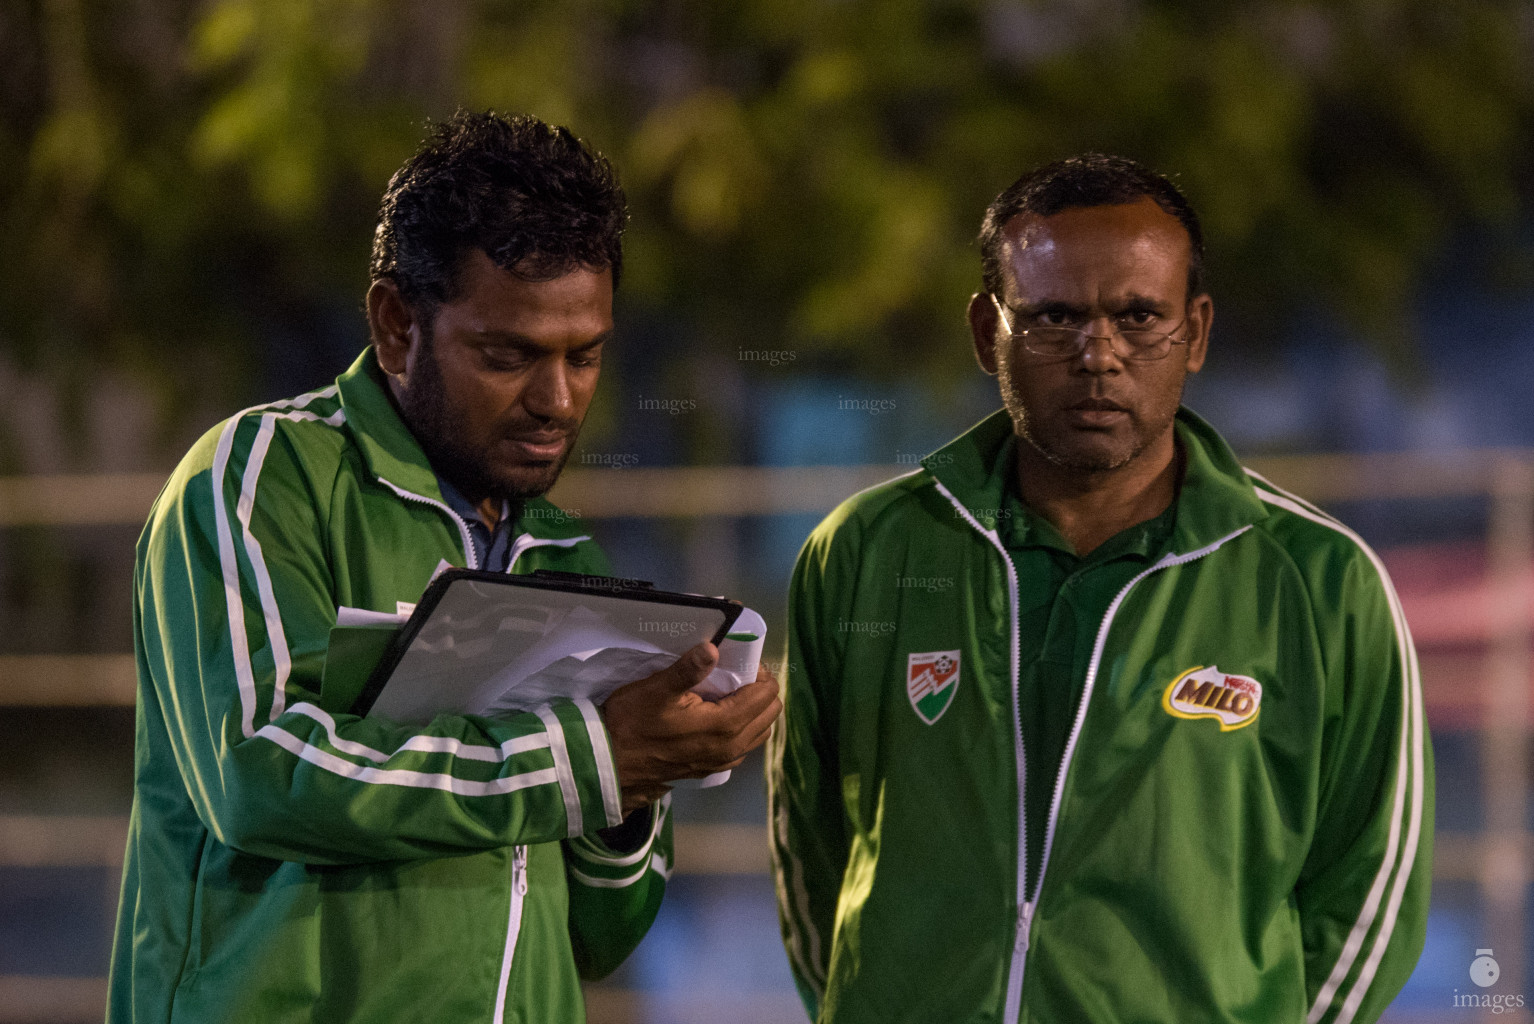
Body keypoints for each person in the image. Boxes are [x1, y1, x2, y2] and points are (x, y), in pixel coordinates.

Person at [107, 110, 781, 1024]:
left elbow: (601, 936)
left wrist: (636, 780)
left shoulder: (566, 556)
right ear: (396, 325)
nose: (556, 399)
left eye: (585, 356)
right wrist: (590, 754)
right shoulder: (262, 476)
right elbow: (259, 774)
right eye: (508, 355)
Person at [769, 154, 1432, 1024]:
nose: (1099, 356)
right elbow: (809, 856)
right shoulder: (861, 555)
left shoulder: (1319, 581)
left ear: (1194, 333)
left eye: (1138, 317)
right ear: (985, 332)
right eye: (1053, 318)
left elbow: (1370, 888)